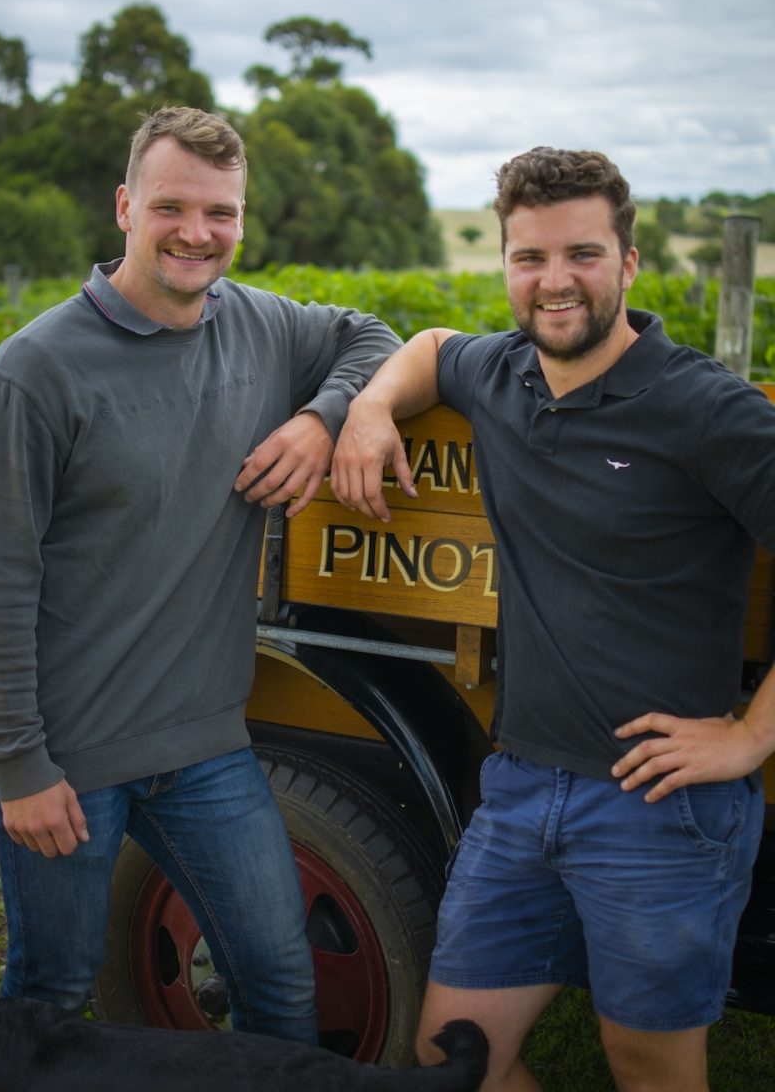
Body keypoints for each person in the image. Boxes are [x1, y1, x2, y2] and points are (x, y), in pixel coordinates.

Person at [330, 146, 775, 1092]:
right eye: (529, 258)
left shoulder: (706, 411)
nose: (554, 281)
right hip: (523, 789)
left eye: (581, 254)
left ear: (629, 263)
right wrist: (369, 409)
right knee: (453, 1053)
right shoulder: (501, 375)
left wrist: (747, 738)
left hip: (659, 807)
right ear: (505, 265)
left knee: (647, 1067)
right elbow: (430, 350)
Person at [0, 105, 401, 1040]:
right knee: (49, 995)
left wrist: (326, 417)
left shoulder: (260, 328)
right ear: (126, 207)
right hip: (69, 758)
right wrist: (17, 769)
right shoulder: (34, 373)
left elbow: (372, 338)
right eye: (173, 207)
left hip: (204, 747)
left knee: (281, 984)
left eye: (222, 213)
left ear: (243, 219)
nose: (198, 233)